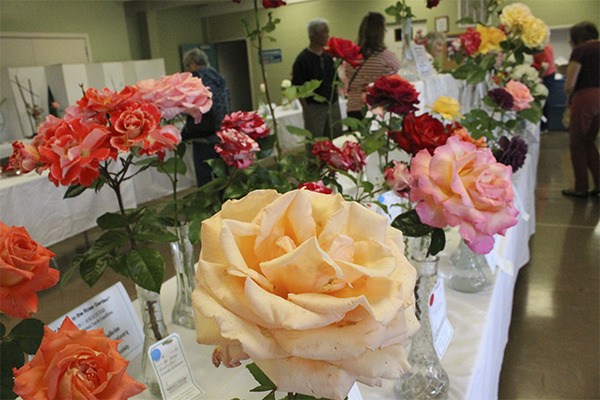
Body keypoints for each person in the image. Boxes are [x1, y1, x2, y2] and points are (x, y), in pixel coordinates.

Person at [181, 48, 231, 186]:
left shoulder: (195, 79)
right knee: (221, 173)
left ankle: (209, 205)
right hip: (222, 132)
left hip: (203, 134)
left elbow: (188, 106)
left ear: (192, 63)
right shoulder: (219, 77)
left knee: (204, 176)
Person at [562, 21, 599, 198]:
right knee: (590, 141)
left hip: (586, 97)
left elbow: (570, 83)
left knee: (577, 143)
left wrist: (568, 98)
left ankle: (581, 187)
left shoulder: (581, 50)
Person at [344, 12, 401, 119]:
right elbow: (399, 73)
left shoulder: (351, 56)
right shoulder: (385, 57)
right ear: (380, 33)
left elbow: (347, 77)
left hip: (353, 108)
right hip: (376, 109)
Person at [291, 18, 342, 138]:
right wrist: (307, 109)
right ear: (313, 35)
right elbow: (297, 86)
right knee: (316, 141)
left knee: (336, 138)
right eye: (324, 31)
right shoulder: (302, 59)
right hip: (314, 108)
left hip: (332, 104)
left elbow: (336, 80)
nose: (327, 35)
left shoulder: (328, 57)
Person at [532, 43, 556, 131]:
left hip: (545, 75)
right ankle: (542, 126)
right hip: (545, 74)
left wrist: (539, 79)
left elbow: (545, 65)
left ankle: (543, 126)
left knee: (542, 101)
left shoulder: (541, 47)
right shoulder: (545, 45)